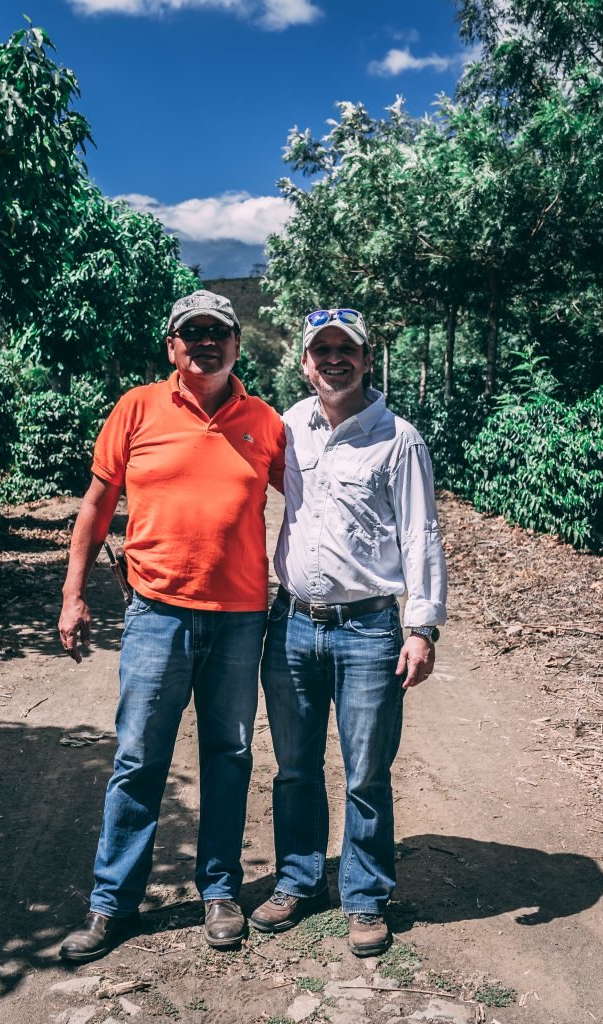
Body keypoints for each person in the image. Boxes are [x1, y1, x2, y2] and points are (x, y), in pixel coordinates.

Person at [58, 290, 285, 962]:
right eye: (192, 333)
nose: (205, 343)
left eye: (218, 332)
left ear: (237, 345)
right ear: (171, 346)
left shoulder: (265, 422)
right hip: (156, 613)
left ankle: (218, 890)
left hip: (241, 618)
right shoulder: (136, 408)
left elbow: (313, 500)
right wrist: (73, 594)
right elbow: (96, 507)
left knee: (229, 755)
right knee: (137, 759)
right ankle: (111, 904)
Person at [250, 308, 447, 957]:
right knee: (294, 767)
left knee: (366, 770)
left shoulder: (397, 437)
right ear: (303, 362)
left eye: (345, 349)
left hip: (367, 630)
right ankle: (300, 880)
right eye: (320, 351)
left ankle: (363, 897)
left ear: (365, 357)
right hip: (291, 624)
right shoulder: (287, 429)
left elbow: (419, 534)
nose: (332, 360)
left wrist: (421, 625)